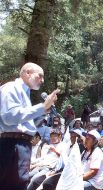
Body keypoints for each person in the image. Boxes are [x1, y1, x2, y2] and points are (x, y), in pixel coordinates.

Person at [0, 62, 59, 190]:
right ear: (27, 73)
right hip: (13, 144)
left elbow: (26, 125)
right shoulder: (11, 88)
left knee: (19, 184)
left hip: (21, 144)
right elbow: (9, 116)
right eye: (40, 76)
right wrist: (42, 107)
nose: (42, 80)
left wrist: (44, 111)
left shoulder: (25, 93)